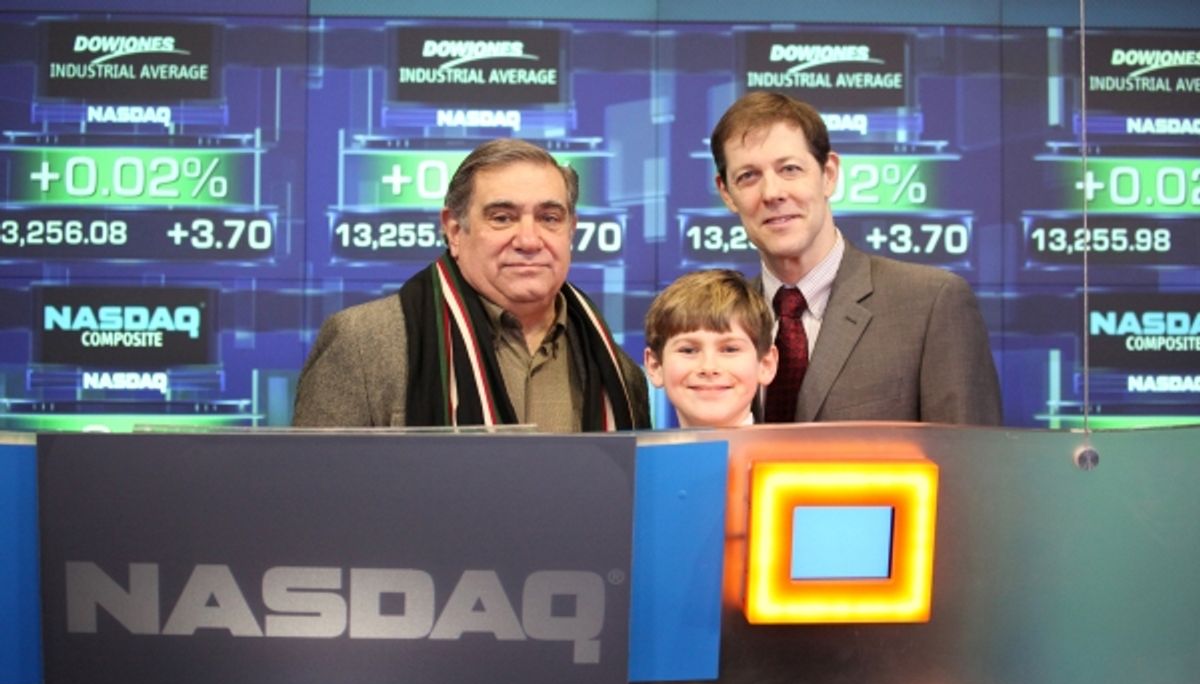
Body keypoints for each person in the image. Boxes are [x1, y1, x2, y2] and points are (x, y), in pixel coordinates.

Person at [293, 138, 650, 431]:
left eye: (549, 218)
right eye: (502, 218)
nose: (529, 240)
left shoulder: (618, 373)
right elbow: (316, 487)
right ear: (454, 231)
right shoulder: (362, 344)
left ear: (571, 230)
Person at [710, 91, 1002, 425]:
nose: (772, 193)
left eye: (790, 169)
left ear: (829, 174)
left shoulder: (931, 303)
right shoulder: (721, 322)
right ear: (726, 193)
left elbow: (969, 455)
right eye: (748, 176)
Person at [643, 269, 778, 428]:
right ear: (655, 366)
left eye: (730, 349)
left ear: (766, 364)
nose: (709, 368)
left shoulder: (797, 446)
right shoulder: (631, 446)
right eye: (688, 350)